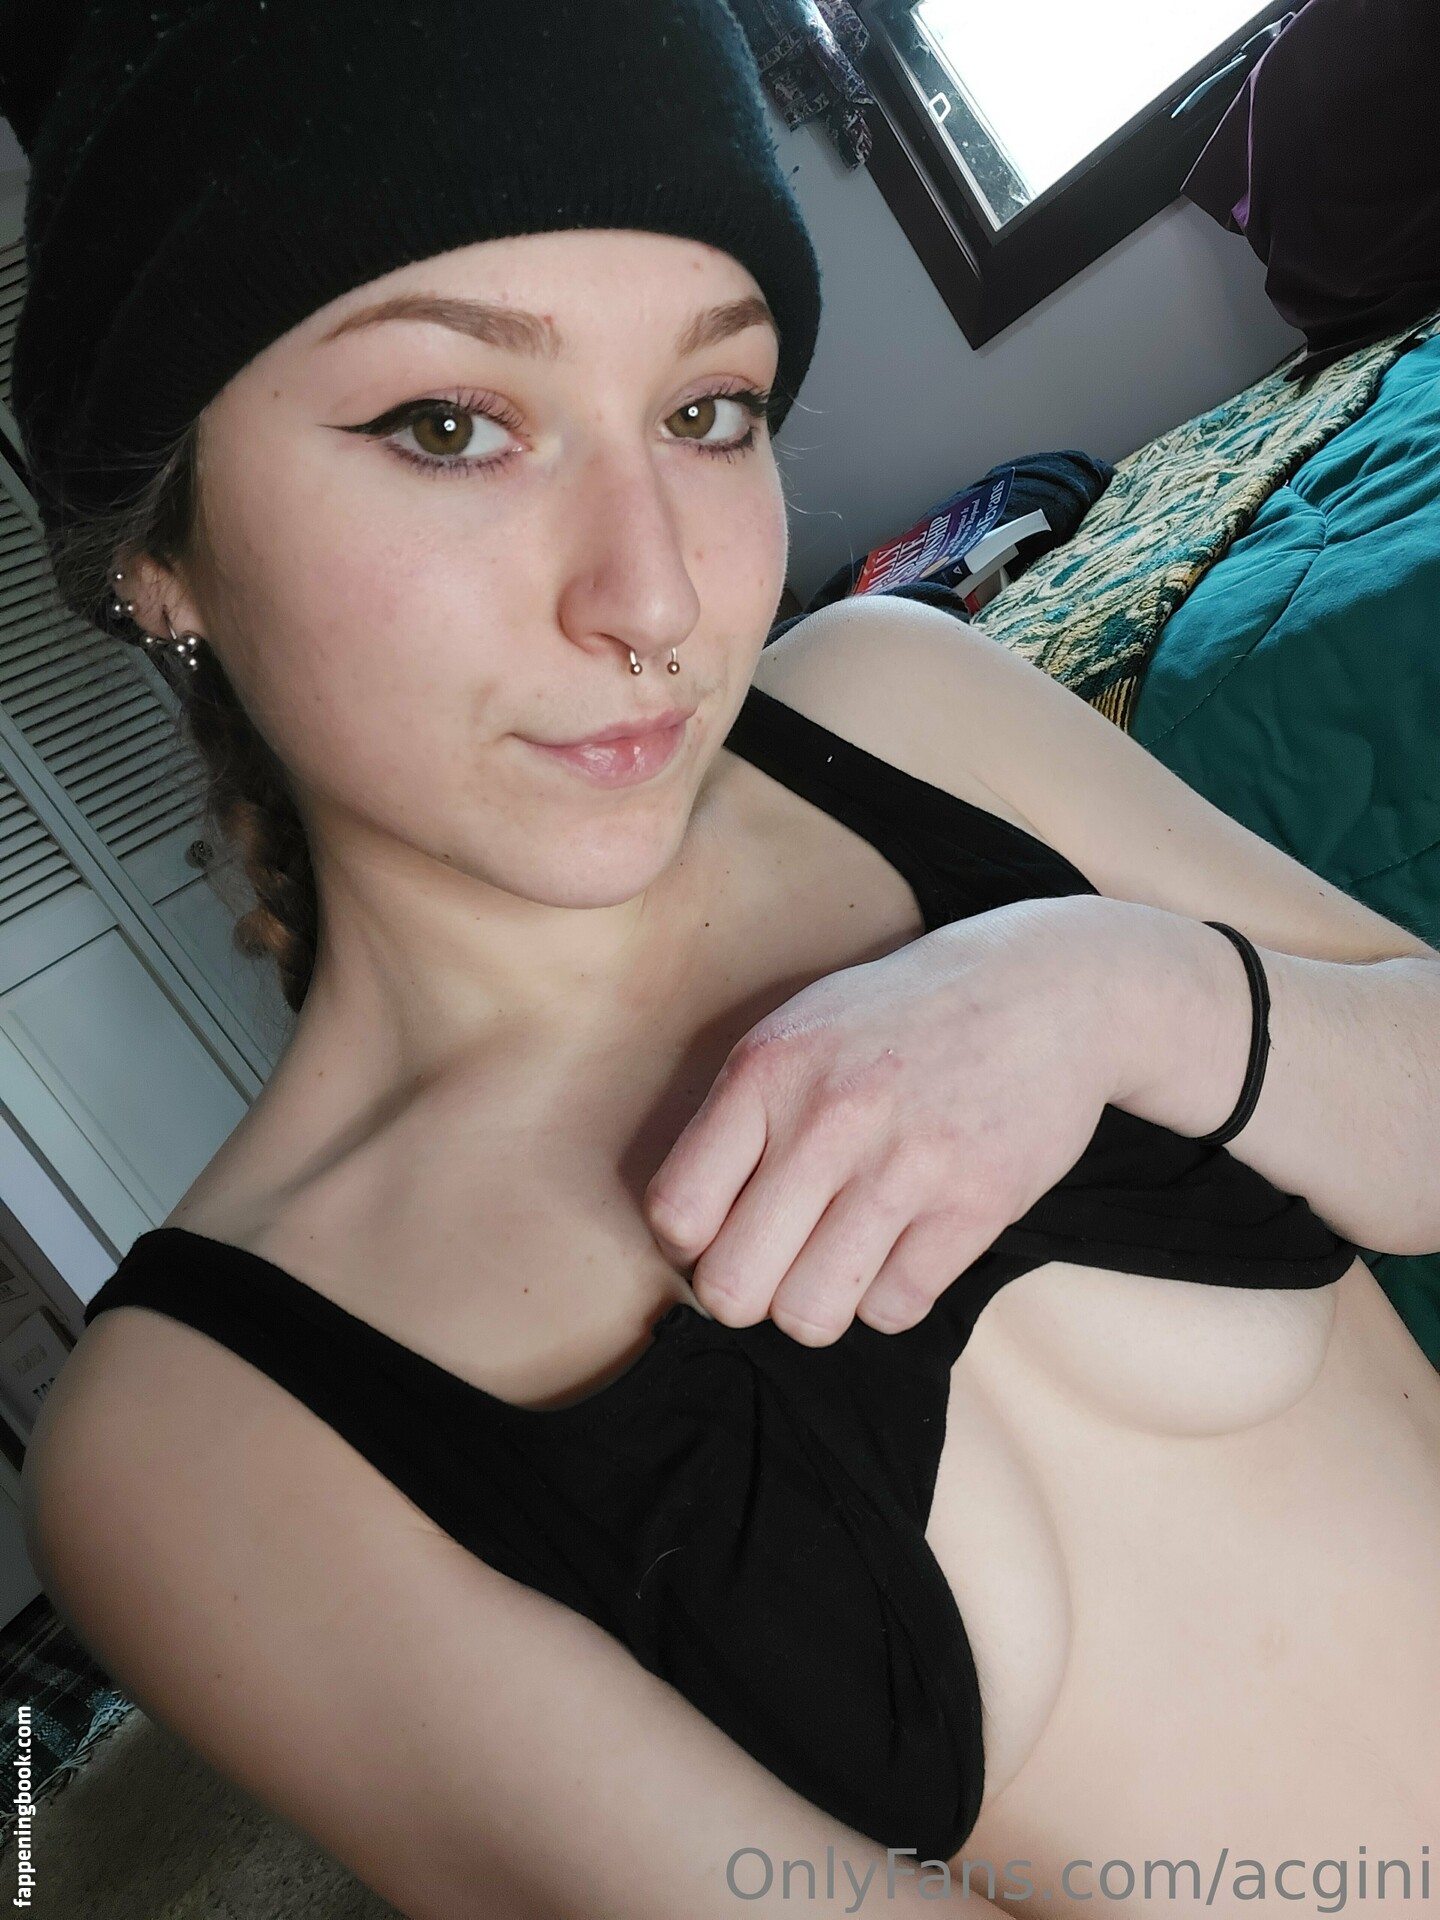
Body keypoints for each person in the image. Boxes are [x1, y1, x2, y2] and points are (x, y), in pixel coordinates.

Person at [7, 4, 1440, 1917]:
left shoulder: (902, 710)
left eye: (708, 412)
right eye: (450, 426)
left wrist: (1129, 995)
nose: (659, 594)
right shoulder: (202, 1436)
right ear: (158, 553)